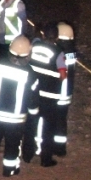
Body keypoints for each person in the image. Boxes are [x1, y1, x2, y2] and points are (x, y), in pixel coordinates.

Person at [0, 36, 39, 177]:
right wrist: (33, 114)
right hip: (16, 120)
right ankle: (9, 170)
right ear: (28, 54)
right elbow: (33, 99)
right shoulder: (31, 74)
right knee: (12, 145)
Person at [21, 23, 67, 167]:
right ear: (57, 37)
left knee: (30, 124)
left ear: (43, 34)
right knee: (48, 129)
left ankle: (27, 155)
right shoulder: (59, 53)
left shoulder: (34, 44)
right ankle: (46, 159)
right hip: (50, 96)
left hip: (32, 93)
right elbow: (63, 75)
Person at [55, 22, 77, 157]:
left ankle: (50, 146)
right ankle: (60, 149)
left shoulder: (59, 52)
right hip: (66, 93)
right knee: (62, 121)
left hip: (57, 92)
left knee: (52, 120)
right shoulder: (72, 52)